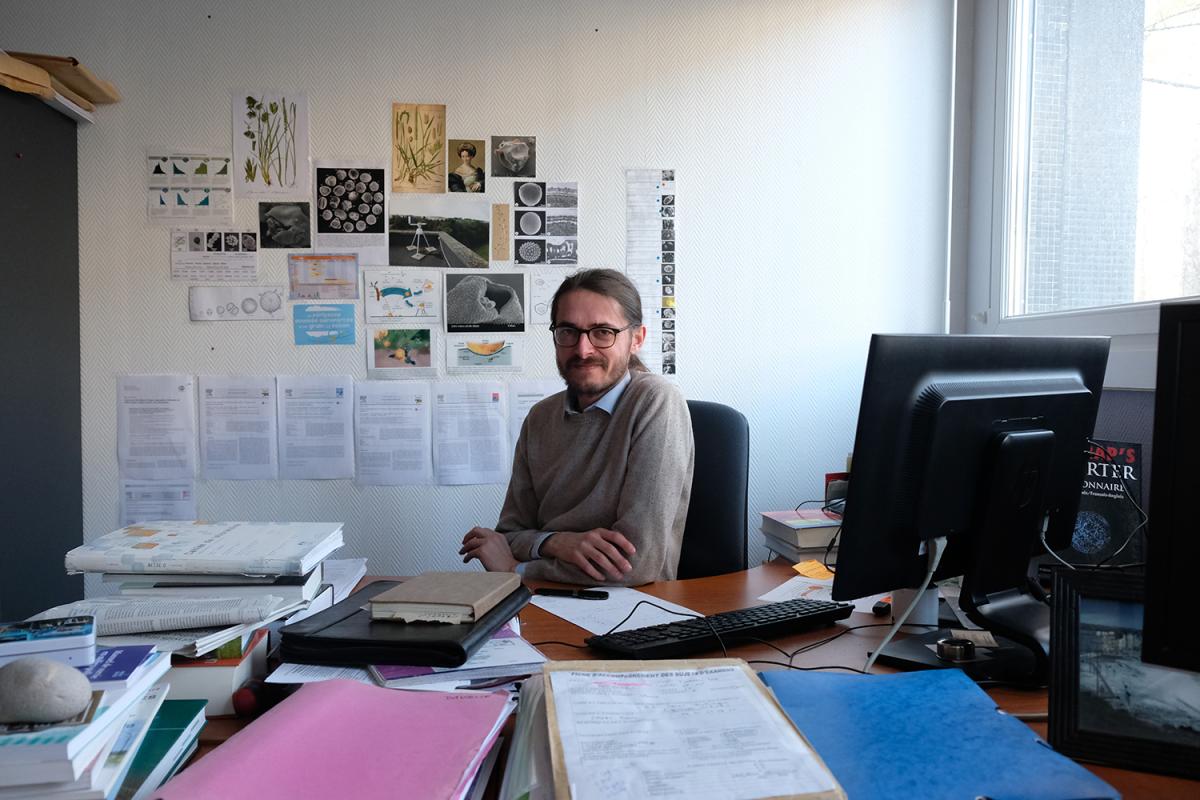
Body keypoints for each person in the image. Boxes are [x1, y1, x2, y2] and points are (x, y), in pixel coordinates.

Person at [459, 269, 694, 585]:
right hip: (541, 603)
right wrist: (558, 542)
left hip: (634, 609)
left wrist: (516, 570)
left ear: (636, 339)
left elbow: (635, 564)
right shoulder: (540, 418)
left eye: (602, 332)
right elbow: (509, 535)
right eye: (569, 331)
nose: (583, 350)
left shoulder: (655, 402)